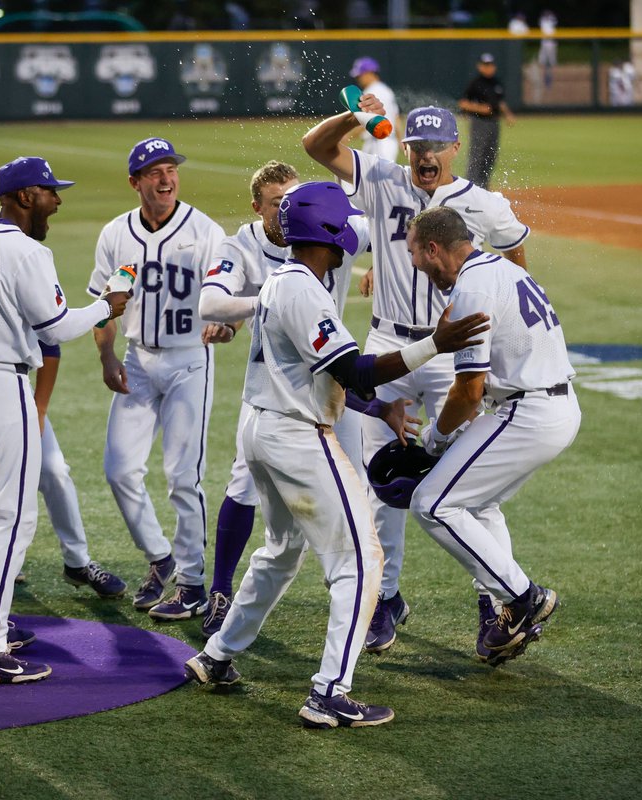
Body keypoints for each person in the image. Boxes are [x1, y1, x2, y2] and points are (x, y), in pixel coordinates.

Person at [183, 181, 488, 728]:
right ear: (328, 230)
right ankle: (329, 692)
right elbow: (353, 371)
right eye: (343, 219)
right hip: (295, 437)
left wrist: (380, 411)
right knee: (362, 560)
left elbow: (328, 371)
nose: (351, 227)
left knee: (281, 551)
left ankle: (216, 655)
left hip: (261, 428)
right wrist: (434, 346)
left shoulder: (284, 279)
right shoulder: (302, 289)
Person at [303, 101, 530, 654]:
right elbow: (316, 147)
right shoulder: (381, 178)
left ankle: (495, 602)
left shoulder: (482, 203)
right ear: (404, 147)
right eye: (416, 146)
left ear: (454, 148)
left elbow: (514, 250)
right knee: (383, 483)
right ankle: (387, 600)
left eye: (436, 147)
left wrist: (508, 320)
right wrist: (354, 114)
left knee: (473, 491)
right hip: (387, 346)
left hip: (455, 355)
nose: (426, 156)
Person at [0, 157, 129, 685]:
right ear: (22, 197)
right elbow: (57, 327)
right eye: (48, 192)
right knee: (10, 520)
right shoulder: (27, 250)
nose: (57, 201)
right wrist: (108, 306)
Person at [196, 160, 368, 636]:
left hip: (330, 380)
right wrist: (270, 300)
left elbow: (389, 232)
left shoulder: (326, 228)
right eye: (276, 203)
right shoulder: (243, 246)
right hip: (276, 388)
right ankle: (221, 591)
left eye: (292, 198)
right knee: (244, 487)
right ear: (258, 207)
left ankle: (382, 600)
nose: (286, 209)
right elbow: (209, 304)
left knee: (357, 486)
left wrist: (383, 272)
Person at [405, 206, 579, 666]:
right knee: (478, 503)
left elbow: (469, 390)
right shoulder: (501, 268)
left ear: (434, 249)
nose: (414, 265)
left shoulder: (472, 286)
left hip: (530, 411)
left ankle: (524, 598)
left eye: (414, 254)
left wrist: (435, 439)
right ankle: (506, 617)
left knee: (432, 504)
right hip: (549, 404)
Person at [89, 137, 225, 620]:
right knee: (119, 469)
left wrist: (226, 322)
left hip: (191, 360)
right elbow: (103, 306)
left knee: (182, 476)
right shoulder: (115, 233)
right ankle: (160, 555)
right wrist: (107, 358)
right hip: (137, 360)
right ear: (135, 182)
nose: (166, 179)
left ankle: (191, 584)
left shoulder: (205, 231)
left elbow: (231, 296)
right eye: (154, 172)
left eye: (171, 170)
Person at [458, 54, 516, 190]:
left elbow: (499, 102)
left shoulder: (496, 82)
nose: (489, 68)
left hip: (494, 122)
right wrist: (479, 108)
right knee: (477, 154)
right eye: (485, 65)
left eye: (490, 65)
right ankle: (471, 186)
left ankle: (484, 185)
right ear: (480, 66)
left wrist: (507, 114)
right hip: (479, 122)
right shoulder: (476, 83)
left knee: (491, 155)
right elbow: (463, 103)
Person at [347, 57, 401, 163]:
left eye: (360, 75)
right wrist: (399, 140)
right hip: (384, 141)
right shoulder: (385, 90)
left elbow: (368, 119)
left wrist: (348, 137)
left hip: (381, 143)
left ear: (369, 73)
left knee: (376, 178)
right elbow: (396, 118)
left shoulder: (372, 91)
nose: (358, 78)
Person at [537, 10, 557, 88]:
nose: (547, 15)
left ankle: (553, 76)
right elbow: (541, 22)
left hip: (551, 42)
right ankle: (543, 76)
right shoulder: (542, 20)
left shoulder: (552, 19)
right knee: (542, 60)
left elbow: (554, 21)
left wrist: (550, 16)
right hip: (544, 42)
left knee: (552, 60)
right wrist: (546, 16)